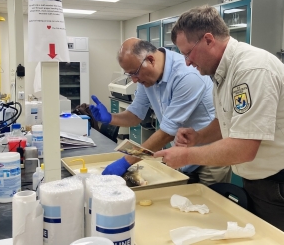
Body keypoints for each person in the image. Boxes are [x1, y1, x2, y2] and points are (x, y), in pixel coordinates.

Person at [153, 5, 284, 245]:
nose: (187, 62)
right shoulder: (222, 72)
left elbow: (244, 147)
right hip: (261, 180)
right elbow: (228, 120)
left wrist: (185, 156)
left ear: (208, 40)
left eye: (188, 53)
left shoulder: (251, 69)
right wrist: (199, 137)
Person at [89, 38, 231, 186]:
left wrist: (126, 161)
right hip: (183, 152)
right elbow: (136, 114)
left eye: (135, 73)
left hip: (209, 155)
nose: (134, 80)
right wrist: (110, 118)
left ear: (150, 60)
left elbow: (167, 133)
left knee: (206, 203)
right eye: (129, 75)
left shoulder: (186, 76)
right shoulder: (147, 76)